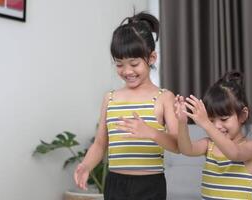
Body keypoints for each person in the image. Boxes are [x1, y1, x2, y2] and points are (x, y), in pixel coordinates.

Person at [74, 12, 179, 200]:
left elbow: (177, 144)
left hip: (150, 184)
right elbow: (100, 144)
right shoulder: (110, 98)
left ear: (152, 58)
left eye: (134, 63)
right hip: (115, 184)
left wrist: (151, 133)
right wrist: (87, 165)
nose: (127, 71)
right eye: (119, 64)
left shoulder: (164, 98)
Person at [174, 71, 252, 200]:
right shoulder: (209, 144)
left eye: (224, 119)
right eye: (211, 120)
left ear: (242, 115)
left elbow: (234, 154)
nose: (217, 126)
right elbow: (186, 149)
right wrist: (181, 122)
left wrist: (206, 123)